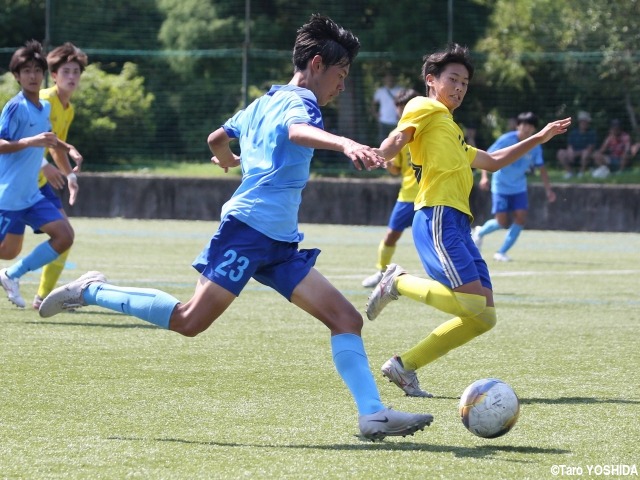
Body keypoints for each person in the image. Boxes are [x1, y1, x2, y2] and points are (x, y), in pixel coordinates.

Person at [39, 15, 433, 441]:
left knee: (345, 317)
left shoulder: (261, 101)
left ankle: (372, 413)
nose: (341, 85)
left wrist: (228, 158)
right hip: (249, 230)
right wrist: (345, 143)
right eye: (341, 74)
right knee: (189, 321)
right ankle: (91, 290)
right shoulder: (303, 105)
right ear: (317, 64)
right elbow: (297, 131)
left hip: (279, 241)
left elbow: (215, 137)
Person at [365, 43, 570, 397]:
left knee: (484, 316)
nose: (459, 88)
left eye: (464, 83)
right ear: (431, 80)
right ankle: (397, 282)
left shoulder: (450, 129)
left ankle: (404, 366)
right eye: (452, 79)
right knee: (472, 304)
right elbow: (399, 136)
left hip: (458, 224)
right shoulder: (423, 106)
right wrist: (382, 153)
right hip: (437, 215)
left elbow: (492, 161)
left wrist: (538, 138)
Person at [0, 42, 87, 310]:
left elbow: (49, 140)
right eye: (27, 71)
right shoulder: (21, 105)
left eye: (37, 70)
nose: (33, 76)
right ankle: (18, 279)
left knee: (64, 236)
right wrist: (36, 153)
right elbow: (11, 143)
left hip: (32, 193)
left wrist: (68, 152)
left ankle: (20, 282)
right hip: (12, 192)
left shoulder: (48, 108)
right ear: (17, 75)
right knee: (8, 251)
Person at [472, 112, 556, 262]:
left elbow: (541, 168)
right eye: (524, 125)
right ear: (518, 125)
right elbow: (486, 156)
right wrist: (484, 177)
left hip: (519, 188)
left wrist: (548, 189)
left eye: (530, 126)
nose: (526, 128)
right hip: (501, 186)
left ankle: (501, 252)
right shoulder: (506, 140)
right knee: (501, 222)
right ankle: (479, 232)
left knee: (521, 219)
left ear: (534, 129)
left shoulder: (535, 145)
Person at [362, 88, 420, 288]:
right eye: (400, 111)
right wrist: (388, 164)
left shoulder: (430, 131)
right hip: (407, 196)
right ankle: (381, 272)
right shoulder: (396, 135)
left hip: (431, 196)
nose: (404, 115)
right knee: (391, 235)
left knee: (437, 240)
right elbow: (397, 170)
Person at [556, 111, 597, 178]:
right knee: (560, 153)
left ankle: (581, 173)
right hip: (573, 155)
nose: (583, 123)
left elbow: (590, 149)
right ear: (579, 122)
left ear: (588, 122)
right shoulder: (573, 133)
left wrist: (576, 153)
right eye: (582, 121)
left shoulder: (591, 133)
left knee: (585, 153)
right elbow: (570, 146)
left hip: (586, 156)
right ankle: (569, 172)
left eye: (585, 121)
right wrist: (570, 152)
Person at [371, 72, 402, 143]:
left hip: (397, 122)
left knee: (397, 142)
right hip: (383, 121)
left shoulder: (401, 90)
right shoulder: (380, 91)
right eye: (388, 79)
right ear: (384, 80)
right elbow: (373, 104)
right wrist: (376, 114)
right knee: (382, 142)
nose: (390, 81)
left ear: (395, 79)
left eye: (391, 79)